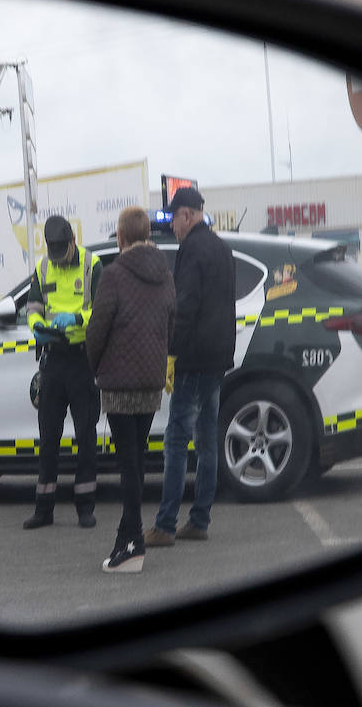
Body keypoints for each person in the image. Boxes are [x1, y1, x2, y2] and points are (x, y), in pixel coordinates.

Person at [85, 206, 175, 573]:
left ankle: (133, 544)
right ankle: (126, 538)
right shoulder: (165, 273)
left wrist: (94, 367)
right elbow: (172, 321)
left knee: (128, 464)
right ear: (148, 234)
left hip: (119, 381)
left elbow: (98, 328)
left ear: (120, 237)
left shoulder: (115, 274)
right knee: (136, 459)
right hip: (150, 379)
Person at [146, 186, 235, 546]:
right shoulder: (222, 248)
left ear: (187, 215)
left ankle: (165, 525)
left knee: (176, 440)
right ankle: (199, 520)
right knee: (208, 441)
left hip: (192, 358)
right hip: (217, 358)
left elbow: (185, 307)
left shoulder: (192, 250)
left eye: (174, 222)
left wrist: (170, 353)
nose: (174, 230)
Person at [22, 214, 103, 529]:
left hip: (82, 360)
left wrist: (77, 320)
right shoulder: (43, 268)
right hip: (52, 359)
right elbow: (32, 307)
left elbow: (100, 307)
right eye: (54, 253)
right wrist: (37, 327)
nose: (59, 258)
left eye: (64, 252)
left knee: (85, 433)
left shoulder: (91, 265)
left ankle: (85, 506)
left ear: (73, 241)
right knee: (49, 436)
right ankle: (44, 509)